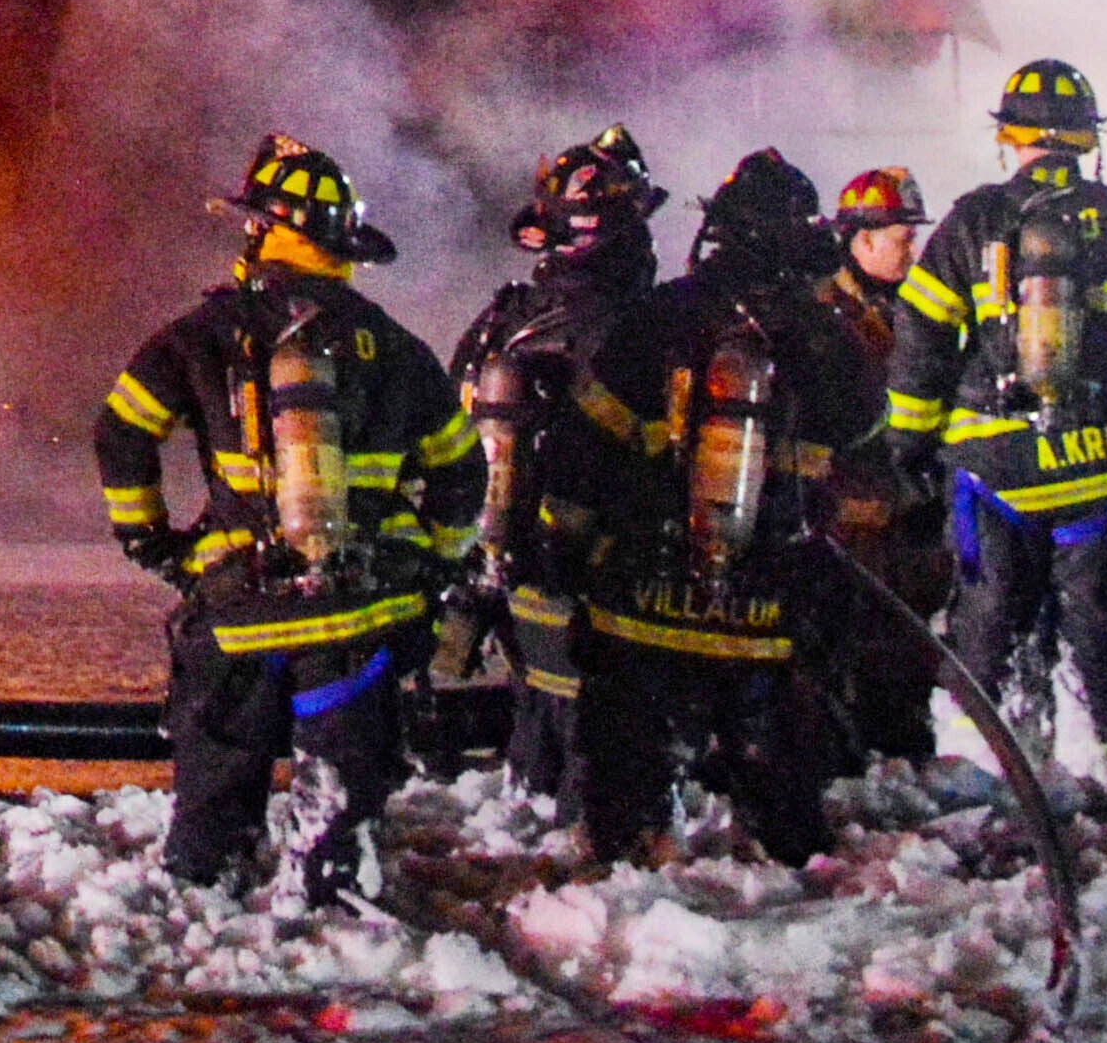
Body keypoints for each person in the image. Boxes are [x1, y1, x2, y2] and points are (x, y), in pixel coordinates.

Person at [92, 138, 475, 903]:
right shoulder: (394, 347)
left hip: (238, 612)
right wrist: (435, 559)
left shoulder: (201, 336)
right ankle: (330, 899)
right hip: (357, 617)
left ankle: (207, 891)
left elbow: (121, 432)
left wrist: (149, 538)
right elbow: (461, 472)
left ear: (263, 231)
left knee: (216, 782)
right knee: (342, 792)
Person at [884, 57, 1107, 786]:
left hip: (995, 468)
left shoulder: (973, 220)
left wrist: (909, 447)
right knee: (1098, 613)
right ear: (1087, 142)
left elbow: (920, 337)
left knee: (989, 610)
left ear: (1009, 138)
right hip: (1103, 463)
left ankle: (983, 757)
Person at [556, 151, 862, 865]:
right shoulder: (822, 335)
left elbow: (584, 441)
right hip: (769, 599)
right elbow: (865, 439)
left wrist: (566, 543)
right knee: (777, 761)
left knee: (627, 756)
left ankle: (630, 856)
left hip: (643, 593)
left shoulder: (655, 317)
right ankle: (788, 866)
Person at [441, 127, 660, 810]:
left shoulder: (507, 318)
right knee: (598, 728)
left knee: (539, 709)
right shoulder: (646, 325)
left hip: (511, 561)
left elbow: (453, 424)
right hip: (608, 563)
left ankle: (536, 815)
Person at [807, 165, 947, 765]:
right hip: (845, 523)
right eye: (901, 237)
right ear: (861, 240)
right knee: (842, 650)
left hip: (908, 515)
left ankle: (903, 758)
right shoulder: (821, 315)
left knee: (907, 651)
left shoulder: (916, 306)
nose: (912, 250)